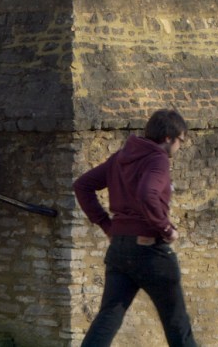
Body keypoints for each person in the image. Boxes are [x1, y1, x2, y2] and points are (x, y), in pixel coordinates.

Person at [74, 109, 198, 347]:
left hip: (120, 250)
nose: (180, 147)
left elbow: (82, 185)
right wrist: (166, 228)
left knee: (108, 317)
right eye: (181, 141)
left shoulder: (121, 157)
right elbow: (147, 194)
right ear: (169, 138)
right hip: (150, 251)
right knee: (177, 324)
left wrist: (107, 225)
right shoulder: (157, 159)